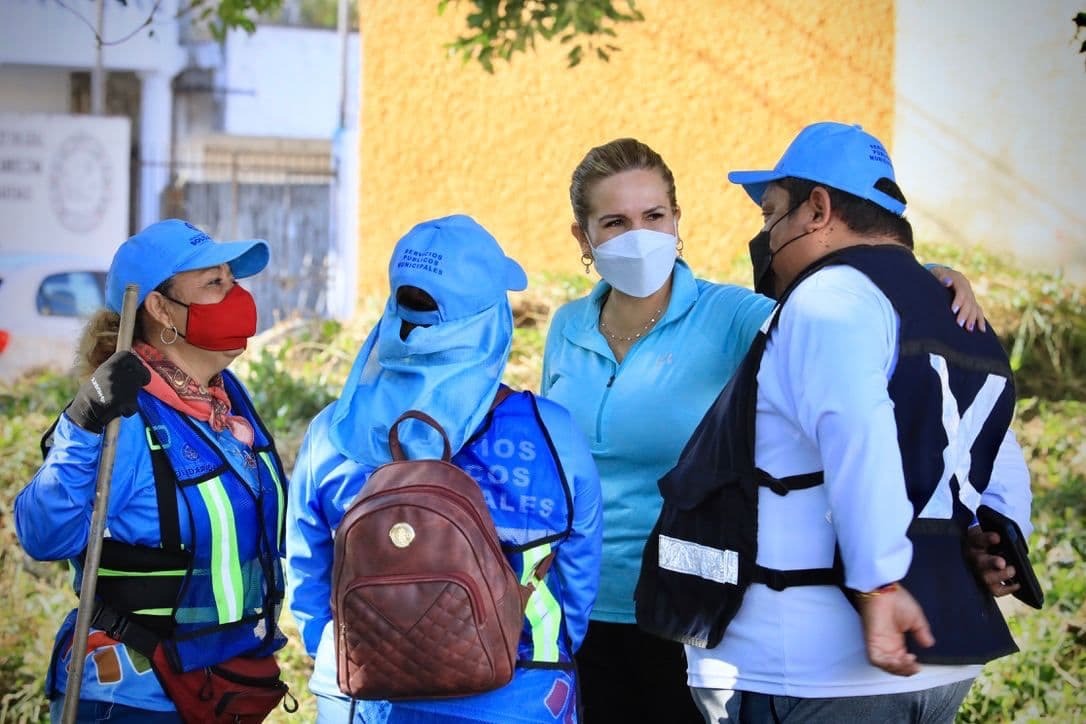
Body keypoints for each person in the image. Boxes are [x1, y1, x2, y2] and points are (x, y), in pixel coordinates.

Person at [540, 137, 989, 722]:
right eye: (615, 222)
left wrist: (926, 279)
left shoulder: (730, 316)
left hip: (685, 605)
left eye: (653, 216)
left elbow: (838, 318)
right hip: (574, 605)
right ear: (584, 237)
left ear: (678, 221)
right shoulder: (567, 326)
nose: (638, 235)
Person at [285, 214, 603, 723]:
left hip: (364, 697)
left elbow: (306, 570)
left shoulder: (336, 430)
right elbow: (580, 576)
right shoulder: (551, 432)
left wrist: (341, 658)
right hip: (518, 694)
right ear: (488, 320)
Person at [14, 219, 290, 723]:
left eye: (234, 280)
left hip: (221, 687)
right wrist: (81, 425)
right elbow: (43, 535)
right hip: (132, 699)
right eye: (215, 283)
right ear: (160, 308)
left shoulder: (228, 403)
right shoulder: (121, 418)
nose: (237, 296)